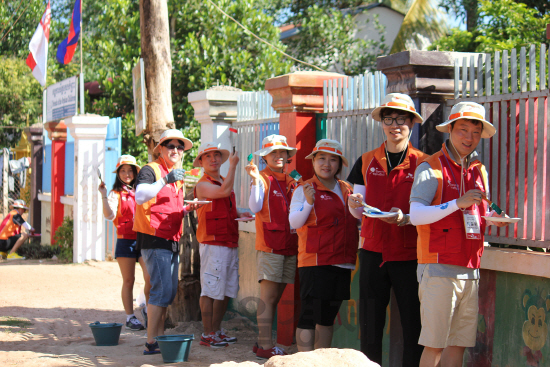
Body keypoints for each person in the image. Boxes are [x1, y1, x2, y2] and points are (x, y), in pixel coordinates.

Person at [409, 102, 507, 367]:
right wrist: (456, 204)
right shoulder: (430, 167)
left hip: (471, 269)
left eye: (476, 132)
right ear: (449, 130)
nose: (469, 138)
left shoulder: (478, 170)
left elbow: (478, 212)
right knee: (435, 345)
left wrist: (494, 219)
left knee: (458, 345)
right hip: (438, 267)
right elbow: (415, 215)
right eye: (463, 130)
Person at [347, 93, 427, 366]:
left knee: (413, 326)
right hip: (372, 252)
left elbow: (429, 212)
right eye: (389, 119)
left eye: (401, 119)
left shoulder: (425, 163)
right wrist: (353, 203)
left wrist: (406, 219)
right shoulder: (366, 160)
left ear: (412, 123)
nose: (395, 125)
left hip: (410, 254)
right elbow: (357, 210)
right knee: (370, 324)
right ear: (381, 123)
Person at [133, 129, 199, 355]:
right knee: (161, 291)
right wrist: (165, 179)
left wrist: (186, 208)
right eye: (170, 146)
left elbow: (167, 206)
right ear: (160, 148)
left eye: (179, 147)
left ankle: (158, 337)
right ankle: (152, 341)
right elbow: (141, 196)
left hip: (171, 239)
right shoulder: (151, 170)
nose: (176, 150)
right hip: (153, 238)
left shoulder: (175, 175)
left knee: (168, 293)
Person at [289, 139, 359, 351]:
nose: (326, 164)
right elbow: (294, 222)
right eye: (321, 159)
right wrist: (309, 202)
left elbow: (357, 218)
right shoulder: (304, 188)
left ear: (339, 164)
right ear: (313, 161)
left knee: (328, 318)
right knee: (309, 316)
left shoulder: (347, 188)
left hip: (343, 261)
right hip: (315, 261)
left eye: (332, 159)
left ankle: (323, 362)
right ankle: (305, 362)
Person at [245, 135, 300, 359]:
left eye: (282, 152)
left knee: (276, 297)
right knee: (268, 297)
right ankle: (267, 347)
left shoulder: (291, 179)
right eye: (273, 153)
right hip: (270, 245)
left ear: (288, 156)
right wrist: (256, 181)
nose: (278, 156)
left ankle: (262, 343)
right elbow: (255, 205)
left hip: (289, 245)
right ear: (264, 157)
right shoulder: (262, 178)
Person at [194, 142, 252, 349]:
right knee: (210, 290)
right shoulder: (203, 184)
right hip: (212, 242)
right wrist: (234, 166)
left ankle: (216, 331)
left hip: (228, 240)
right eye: (208, 156)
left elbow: (225, 204)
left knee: (225, 290)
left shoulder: (221, 181)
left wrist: (239, 214)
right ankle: (207, 333)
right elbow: (224, 193)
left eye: (216, 155)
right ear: (201, 162)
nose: (213, 159)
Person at [99, 154, 150, 331]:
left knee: (149, 278)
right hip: (125, 240)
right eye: (123, 171)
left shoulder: (142, 191)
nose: (127, 174)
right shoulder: (115, 193)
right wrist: (104, 196)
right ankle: (130, 317)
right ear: (118, 173)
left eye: (130, 170)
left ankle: (149, 311)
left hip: (144, 239)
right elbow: (109, 216)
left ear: (136, 172)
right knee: (128, 280)